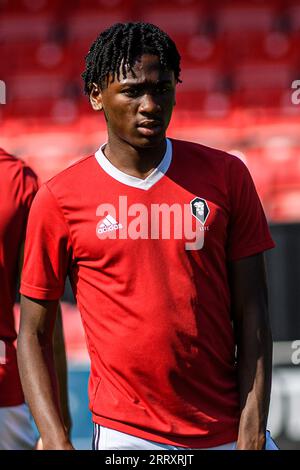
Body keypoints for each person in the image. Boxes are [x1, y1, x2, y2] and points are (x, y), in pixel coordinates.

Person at [18, 22, 277, 450]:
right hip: (130, 438)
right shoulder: (59, 199)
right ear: (97, 95)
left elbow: (255, 315)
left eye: (162, 89)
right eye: (133, 91)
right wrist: (54, 436)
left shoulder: (227, 176)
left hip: (229, 430)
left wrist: (250, 434)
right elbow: (32, 334)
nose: (150, 105)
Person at [0, 148, 70, 449]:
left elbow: (41, 309)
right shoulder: (16, 179)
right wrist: (59, 424)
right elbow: (42, 312)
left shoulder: (19, 180)